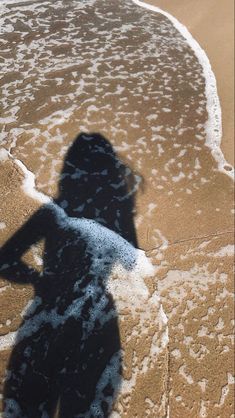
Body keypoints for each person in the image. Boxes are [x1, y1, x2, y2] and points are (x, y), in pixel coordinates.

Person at [0, 133, 139, 418]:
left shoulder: (53, 214)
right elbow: (132, 261)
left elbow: (5, 260)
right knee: (86, 407)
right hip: (97, 316)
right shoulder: (114, 212)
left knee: (28, 407)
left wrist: (37, 279)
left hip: (47, 314)